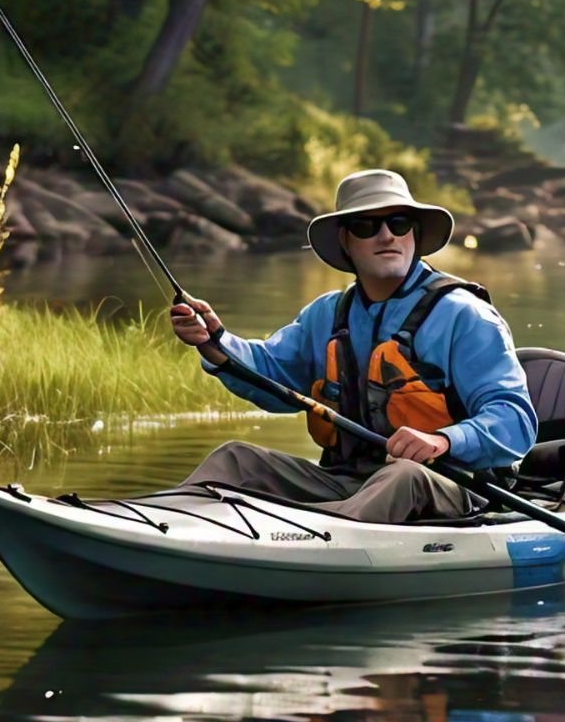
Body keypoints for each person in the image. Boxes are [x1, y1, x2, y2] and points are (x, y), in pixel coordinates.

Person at [168, 169, 537, 523]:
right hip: (347, 483)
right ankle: (159, 524)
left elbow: (515, 421)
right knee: (237, 458)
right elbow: (270, 373)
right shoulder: (327, 313)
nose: (387, 236)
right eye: (366, 226)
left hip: (452, 488)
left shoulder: (466, 316)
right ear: (345, 240)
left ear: (415, 235)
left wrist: (443, 440)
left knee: (403, 476)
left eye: (398, 223)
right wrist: (214, 343)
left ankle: (310, 546)